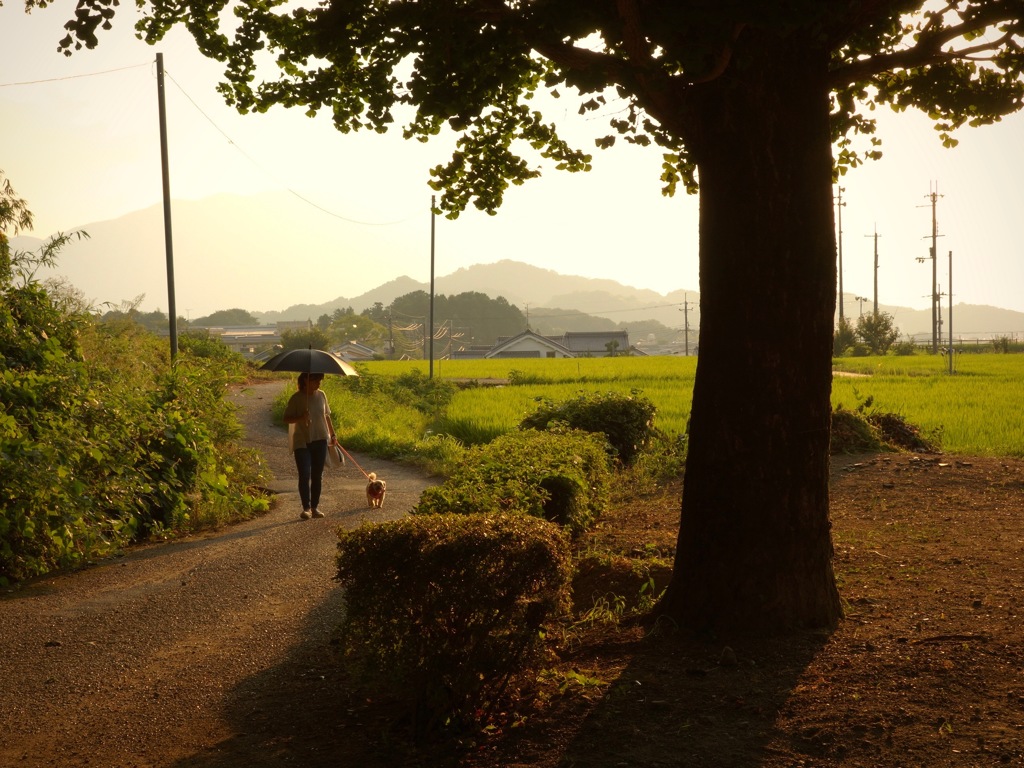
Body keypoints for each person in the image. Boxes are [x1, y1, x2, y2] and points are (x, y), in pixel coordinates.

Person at [282, 371, 337, 520]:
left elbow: (326, 416)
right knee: (304, 474)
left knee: (317, 476)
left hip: (320, 439)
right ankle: (306, 508)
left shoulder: (322, 395)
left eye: (320, 380)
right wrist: (301, 417)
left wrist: (332, 434)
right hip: (302, 441)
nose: (318, 383)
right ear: (305, 380)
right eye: (315, 380)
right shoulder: (296, 398)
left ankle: (314, 507)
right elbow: (286, 418)